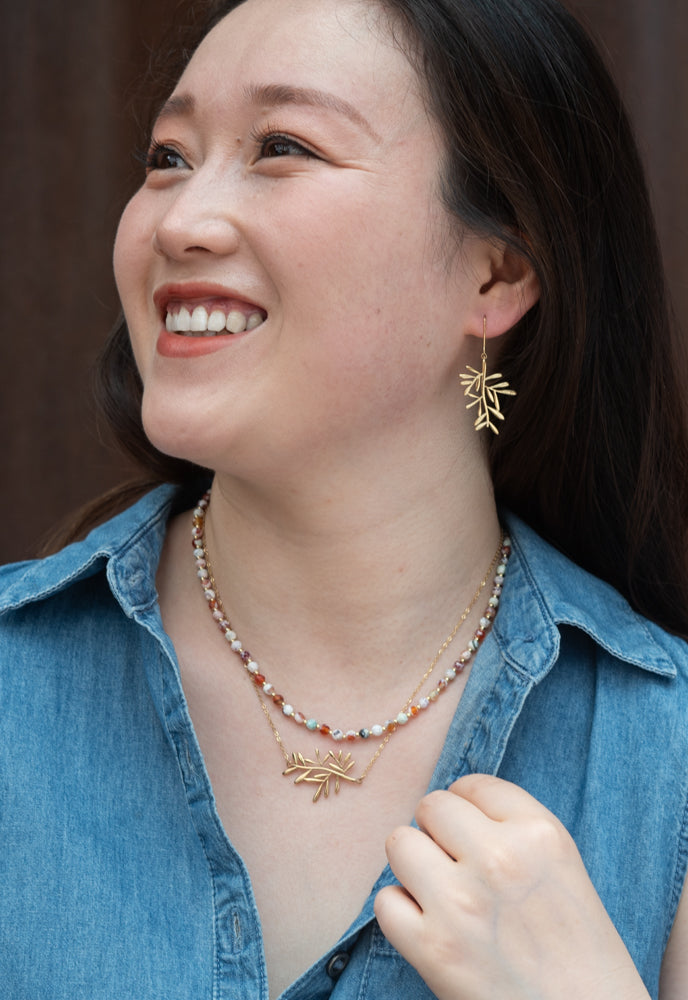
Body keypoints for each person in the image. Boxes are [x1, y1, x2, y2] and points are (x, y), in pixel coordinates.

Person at [1, 0, 687, 996]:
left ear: (494, 272)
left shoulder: (666, 763)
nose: (180, 220)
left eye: (282, 146)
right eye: (167, 158)